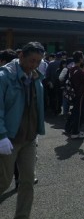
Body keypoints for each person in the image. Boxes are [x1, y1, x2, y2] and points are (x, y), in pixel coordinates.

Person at [0, 42, 46, 219]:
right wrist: (1, 136)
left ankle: (22, 216)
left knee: (27, 182)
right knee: (3, 181)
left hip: (29, 138)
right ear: (21, 56)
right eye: (31, 60)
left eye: (38, 61)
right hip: (9, 138)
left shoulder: (36, 77)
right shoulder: (4, 77)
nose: (34, 65)